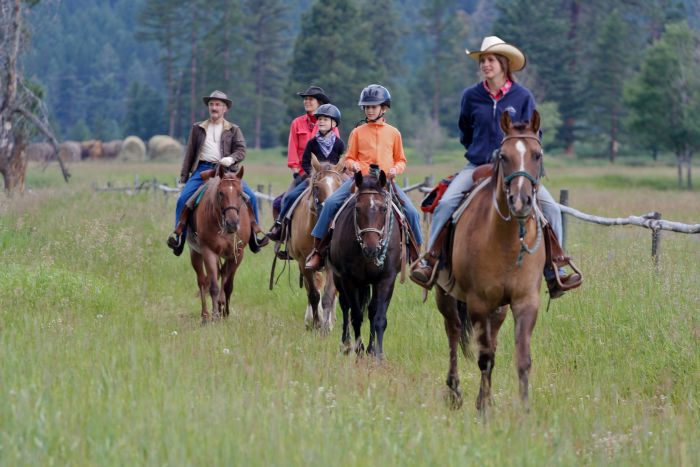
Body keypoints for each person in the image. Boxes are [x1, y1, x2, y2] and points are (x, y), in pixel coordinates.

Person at [410, 36, 581, 296]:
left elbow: (535, 136)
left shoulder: (523, 97)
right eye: (482, 60)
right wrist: (479, 150)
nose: (485, 65)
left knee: (551, 209)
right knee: (446, 203)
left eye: (490, 60)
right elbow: (464, 131)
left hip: (515, 171)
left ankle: (556, 268)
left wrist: (517, 159)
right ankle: (431, 259)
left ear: (503, 64)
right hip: (477, 165)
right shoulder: (471, 96)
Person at [304, 84, 423, 271]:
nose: (369, 110)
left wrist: (394, 170)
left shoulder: (394, 133)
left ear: (383, 108)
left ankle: (417, 257)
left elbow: (401, 160)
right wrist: (353, 165)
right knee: (330, 204)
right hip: (359, 182)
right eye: (366, 107)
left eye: (373, 106)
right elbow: (349, 157)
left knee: (412, 212)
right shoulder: (357, 132)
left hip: (384, 183)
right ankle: (319, 252)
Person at [166, 90, 268, 256]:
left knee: (251, 197)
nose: (214, 107)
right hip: (202, 170)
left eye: (218, 105)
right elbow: (189, 154)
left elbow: (241, 150)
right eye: (212, 104)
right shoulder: (197, 128)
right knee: (183, 199)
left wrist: (231, 159)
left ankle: (255, 235)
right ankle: (179, 237)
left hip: (227, 171)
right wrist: (183, 180)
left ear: (225, 109)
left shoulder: (234, 129)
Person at [267, 103, 346, 242]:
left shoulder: (339, 144)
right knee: (290, 197)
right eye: (319, 119)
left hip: (334, 179)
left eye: (325, 119)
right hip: (314, 178)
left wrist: (339, 174)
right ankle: (280, 227)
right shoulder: (312, 143)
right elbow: (304, 162)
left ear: (334, 123)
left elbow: (342, 162)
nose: (321, 121)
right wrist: (311, 175)